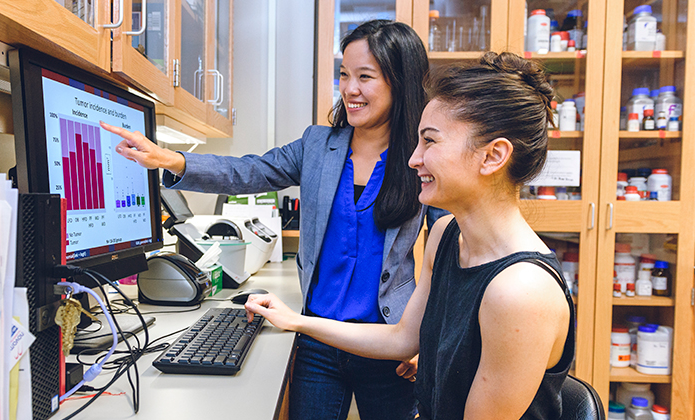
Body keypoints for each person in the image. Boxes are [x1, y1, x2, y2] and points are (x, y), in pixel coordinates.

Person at [102, 19, 445, 420]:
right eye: (344, 75)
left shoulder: (422, 157)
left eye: (365, 77)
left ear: (399, 82)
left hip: (390, 343)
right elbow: (248, 172)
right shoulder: (318, 145)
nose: (350, 89)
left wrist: (427, 338)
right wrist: (171, 159)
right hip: (316, 338)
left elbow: (449, 252)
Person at [243, 52, 576, 419]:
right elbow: (403, 339)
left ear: (493, 156)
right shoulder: (447, 237)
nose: (413, 159)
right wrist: (296, 321)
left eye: (430, 142)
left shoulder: (521, 293)